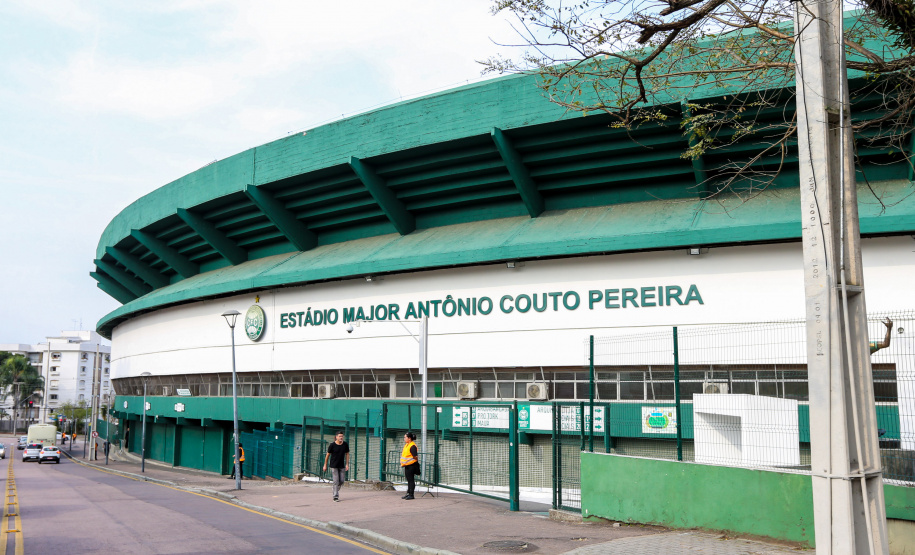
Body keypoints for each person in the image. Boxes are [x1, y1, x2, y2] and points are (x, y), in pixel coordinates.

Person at [323, 431, 349, 502]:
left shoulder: (345, 444)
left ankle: (335, 489)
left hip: (342, 465)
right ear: (336, 437)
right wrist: (325, 465)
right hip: (334, 465)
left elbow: (347, 454)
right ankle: (335, 496)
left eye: (342, 436)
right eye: (340, 436)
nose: (341, 437)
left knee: (341, 481)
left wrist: (347, 464)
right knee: (336, 481)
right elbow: (327, 455)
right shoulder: (332, 445)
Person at [400, 431, 420, 500]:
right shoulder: (407, 445)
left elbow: (415, 456)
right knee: (408, 480)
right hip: (407, 465)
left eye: (405, 437)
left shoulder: (412, 446)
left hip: (411, 465)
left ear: (409, 438)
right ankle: (408, 493)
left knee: (411, 480)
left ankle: (411, 494)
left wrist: (411, 461)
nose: (404, 438)